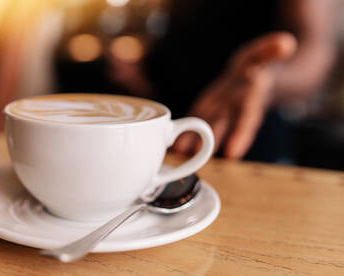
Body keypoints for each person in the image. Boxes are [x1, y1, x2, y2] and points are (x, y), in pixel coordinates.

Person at [53, 0, 339, 161]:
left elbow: (315, 48)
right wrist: (144, 71)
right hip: (164, 132)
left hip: (239, 141)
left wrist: (265, 81)